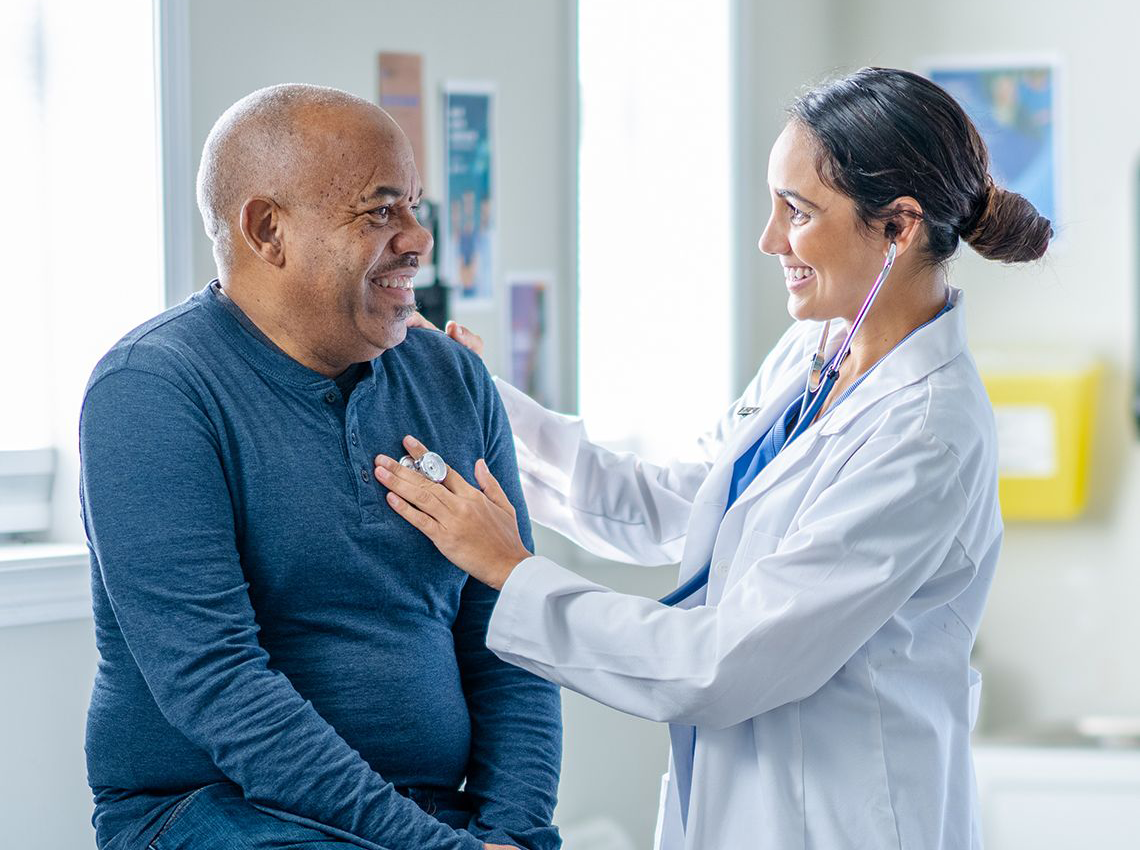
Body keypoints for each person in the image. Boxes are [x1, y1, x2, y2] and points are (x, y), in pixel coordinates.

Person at [375, 68, 1052, 850]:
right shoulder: (819, 348)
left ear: (899, 227)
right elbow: (685, 505)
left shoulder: (928, 432)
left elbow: (724, 665)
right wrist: (488, 405)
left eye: (796, 212)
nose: (769, 239)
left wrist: (509, 569)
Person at [79, 84, 560, 850]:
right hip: (217, 809)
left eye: (414, 205)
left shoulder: (453, 380)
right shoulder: (153, 390)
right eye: (380, 212)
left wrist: (517, 831)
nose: (418, 239)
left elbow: (511, 634)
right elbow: (219, 684)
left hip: (428, 818)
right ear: (268, 230)